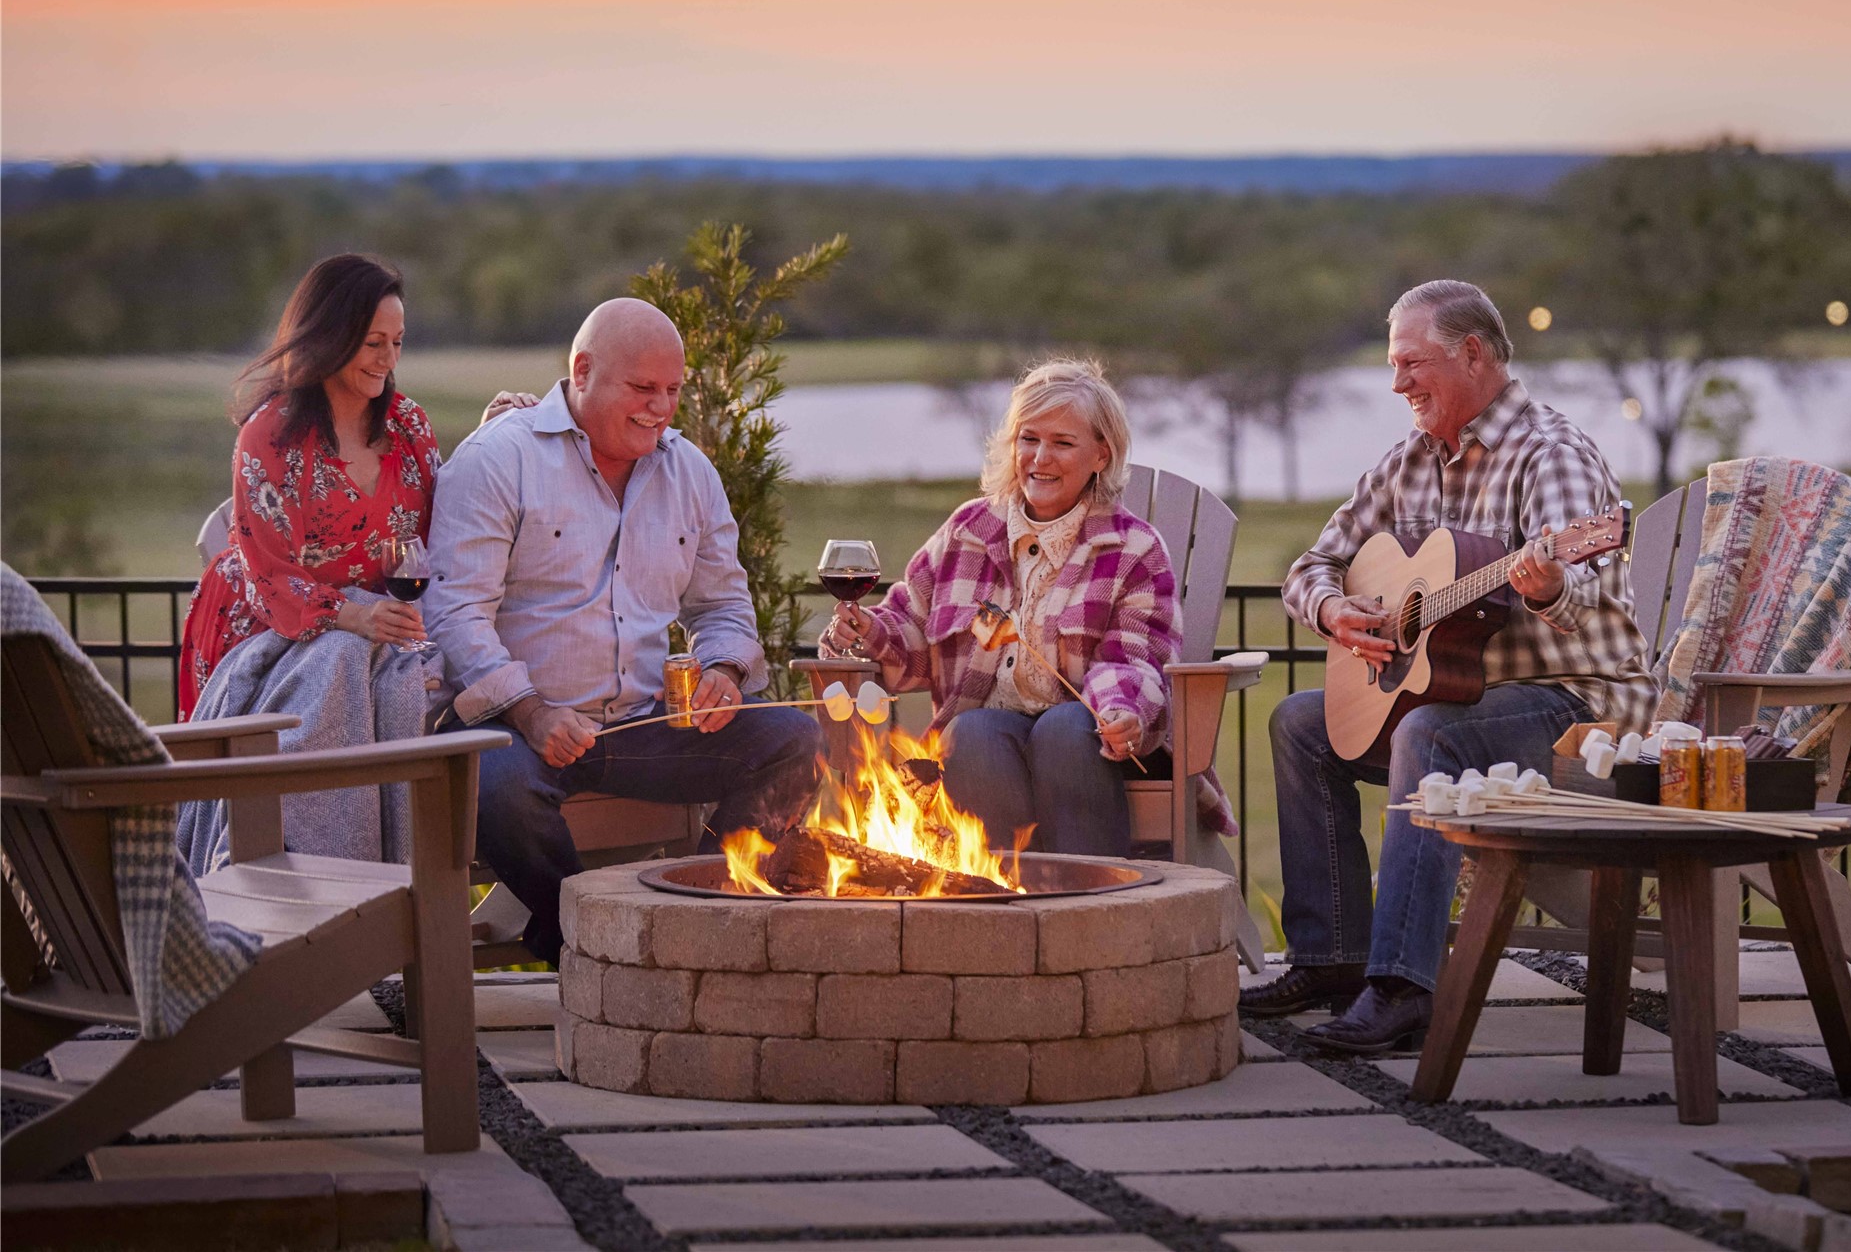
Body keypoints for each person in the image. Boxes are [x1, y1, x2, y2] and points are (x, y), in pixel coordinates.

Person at [1239, 280, 1656, 1053]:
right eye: (1392, 365)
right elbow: (1311, 565)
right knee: (1301, 723)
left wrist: (1551, 581)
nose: (1396, 384)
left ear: (1472, 354)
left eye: (1410, 363)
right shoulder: (1410, 462)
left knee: (1429, 734)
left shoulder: (1551, 452)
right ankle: (1331, 959)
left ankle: (1403, 988)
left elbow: (1586, 593)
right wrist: (1336, 610)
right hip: (1472, 700)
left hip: (1580, 708)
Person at [426, 298, 821, 963]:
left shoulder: (690, 471)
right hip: (516, 727)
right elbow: (455, 613)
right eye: (642, 388)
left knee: (796, 740)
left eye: (672, 389)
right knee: (495, 783)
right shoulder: (497, 459)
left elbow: (723, 602)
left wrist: (723, 672)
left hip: (642, 726)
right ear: (581, 370)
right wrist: (531, 710)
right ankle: (588, 948)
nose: (659, 407)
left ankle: (698, 919)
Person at [821, 358, 1191, 856]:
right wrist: (866, 629)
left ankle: (1090, 903)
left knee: (1062, 728)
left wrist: (1124, 712)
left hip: (1095, 741)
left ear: (1101, 455)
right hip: (990, 734)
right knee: (970, 732)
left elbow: (1134, 658)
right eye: (1028, 439)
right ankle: (1007, 907)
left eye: (1063, 443)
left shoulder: (1133, 550)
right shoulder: (969, 531)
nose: (1041, 457)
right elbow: (909, 627)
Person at [175, 254, 444, 866]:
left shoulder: (410, 427)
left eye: (397, 342)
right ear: (330, 336)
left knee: (400, 679)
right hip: (264, 622)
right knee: (343, 660)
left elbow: (437, 531)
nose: (387, 359)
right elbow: (268, 572)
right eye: (372, 342)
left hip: (377, 623)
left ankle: (388, 880)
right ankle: (300, 873)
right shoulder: (269, 435)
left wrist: (496, 432)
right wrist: (352, 617)